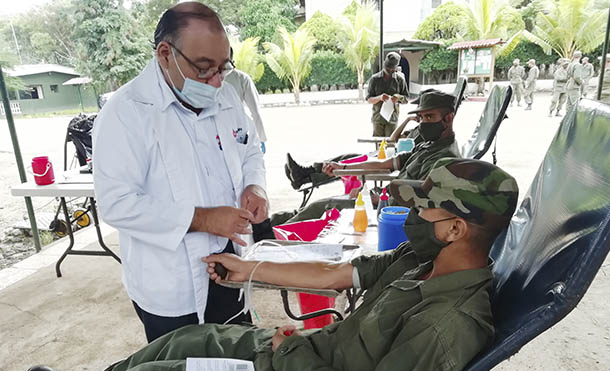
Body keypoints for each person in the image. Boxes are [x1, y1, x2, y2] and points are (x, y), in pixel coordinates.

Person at [105, 158, 519, 371]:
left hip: (296, 362)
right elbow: (335, 274)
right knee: (182, 340)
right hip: (302, 350)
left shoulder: (446, 327)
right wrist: (248, 269)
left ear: (454, 229)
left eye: (423, 209)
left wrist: (291, 355)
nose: (410, 213)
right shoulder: (421, 258)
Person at [93, 2, 268, 343]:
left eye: (223, 67)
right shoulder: (127, 114)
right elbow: (116, 203)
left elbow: (249, 149)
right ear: (165, 53)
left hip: (230, 265)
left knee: (236, 350)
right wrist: (202, 219)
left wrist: (255, 186)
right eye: (204, 68)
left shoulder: (227, 96)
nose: (216, 81)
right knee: (181, 360)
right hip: (170, 285)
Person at [278, 91, 461, 224]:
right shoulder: (426, 145)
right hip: (383, 201)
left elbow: (417, 199)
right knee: (308, 210)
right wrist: (342, 168)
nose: (423, 124)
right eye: (420, 118)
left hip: (390, 214)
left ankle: (271, 237)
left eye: (429, 117)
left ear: (448, 118)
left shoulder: (445, 159)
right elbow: (386, 164)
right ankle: (269, 222)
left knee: (323, 207)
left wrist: (376, 198)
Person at [224, 47, 268, 153]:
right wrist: (261, 139)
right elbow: (255, 112)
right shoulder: (242, 78)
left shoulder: (207, 78)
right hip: (238, 134)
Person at [366, 52, 409, 136]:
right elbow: (369, 99)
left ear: (396, 68)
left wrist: (398, 98)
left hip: (392, 119)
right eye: (388, 68)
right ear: (384, 64)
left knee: (391, 144)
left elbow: (406, 99)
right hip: (378, 119)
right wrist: (379, 98)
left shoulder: (400, 80)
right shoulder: (375, 79)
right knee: (379, 145)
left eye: (392, 69)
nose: (389, 70)